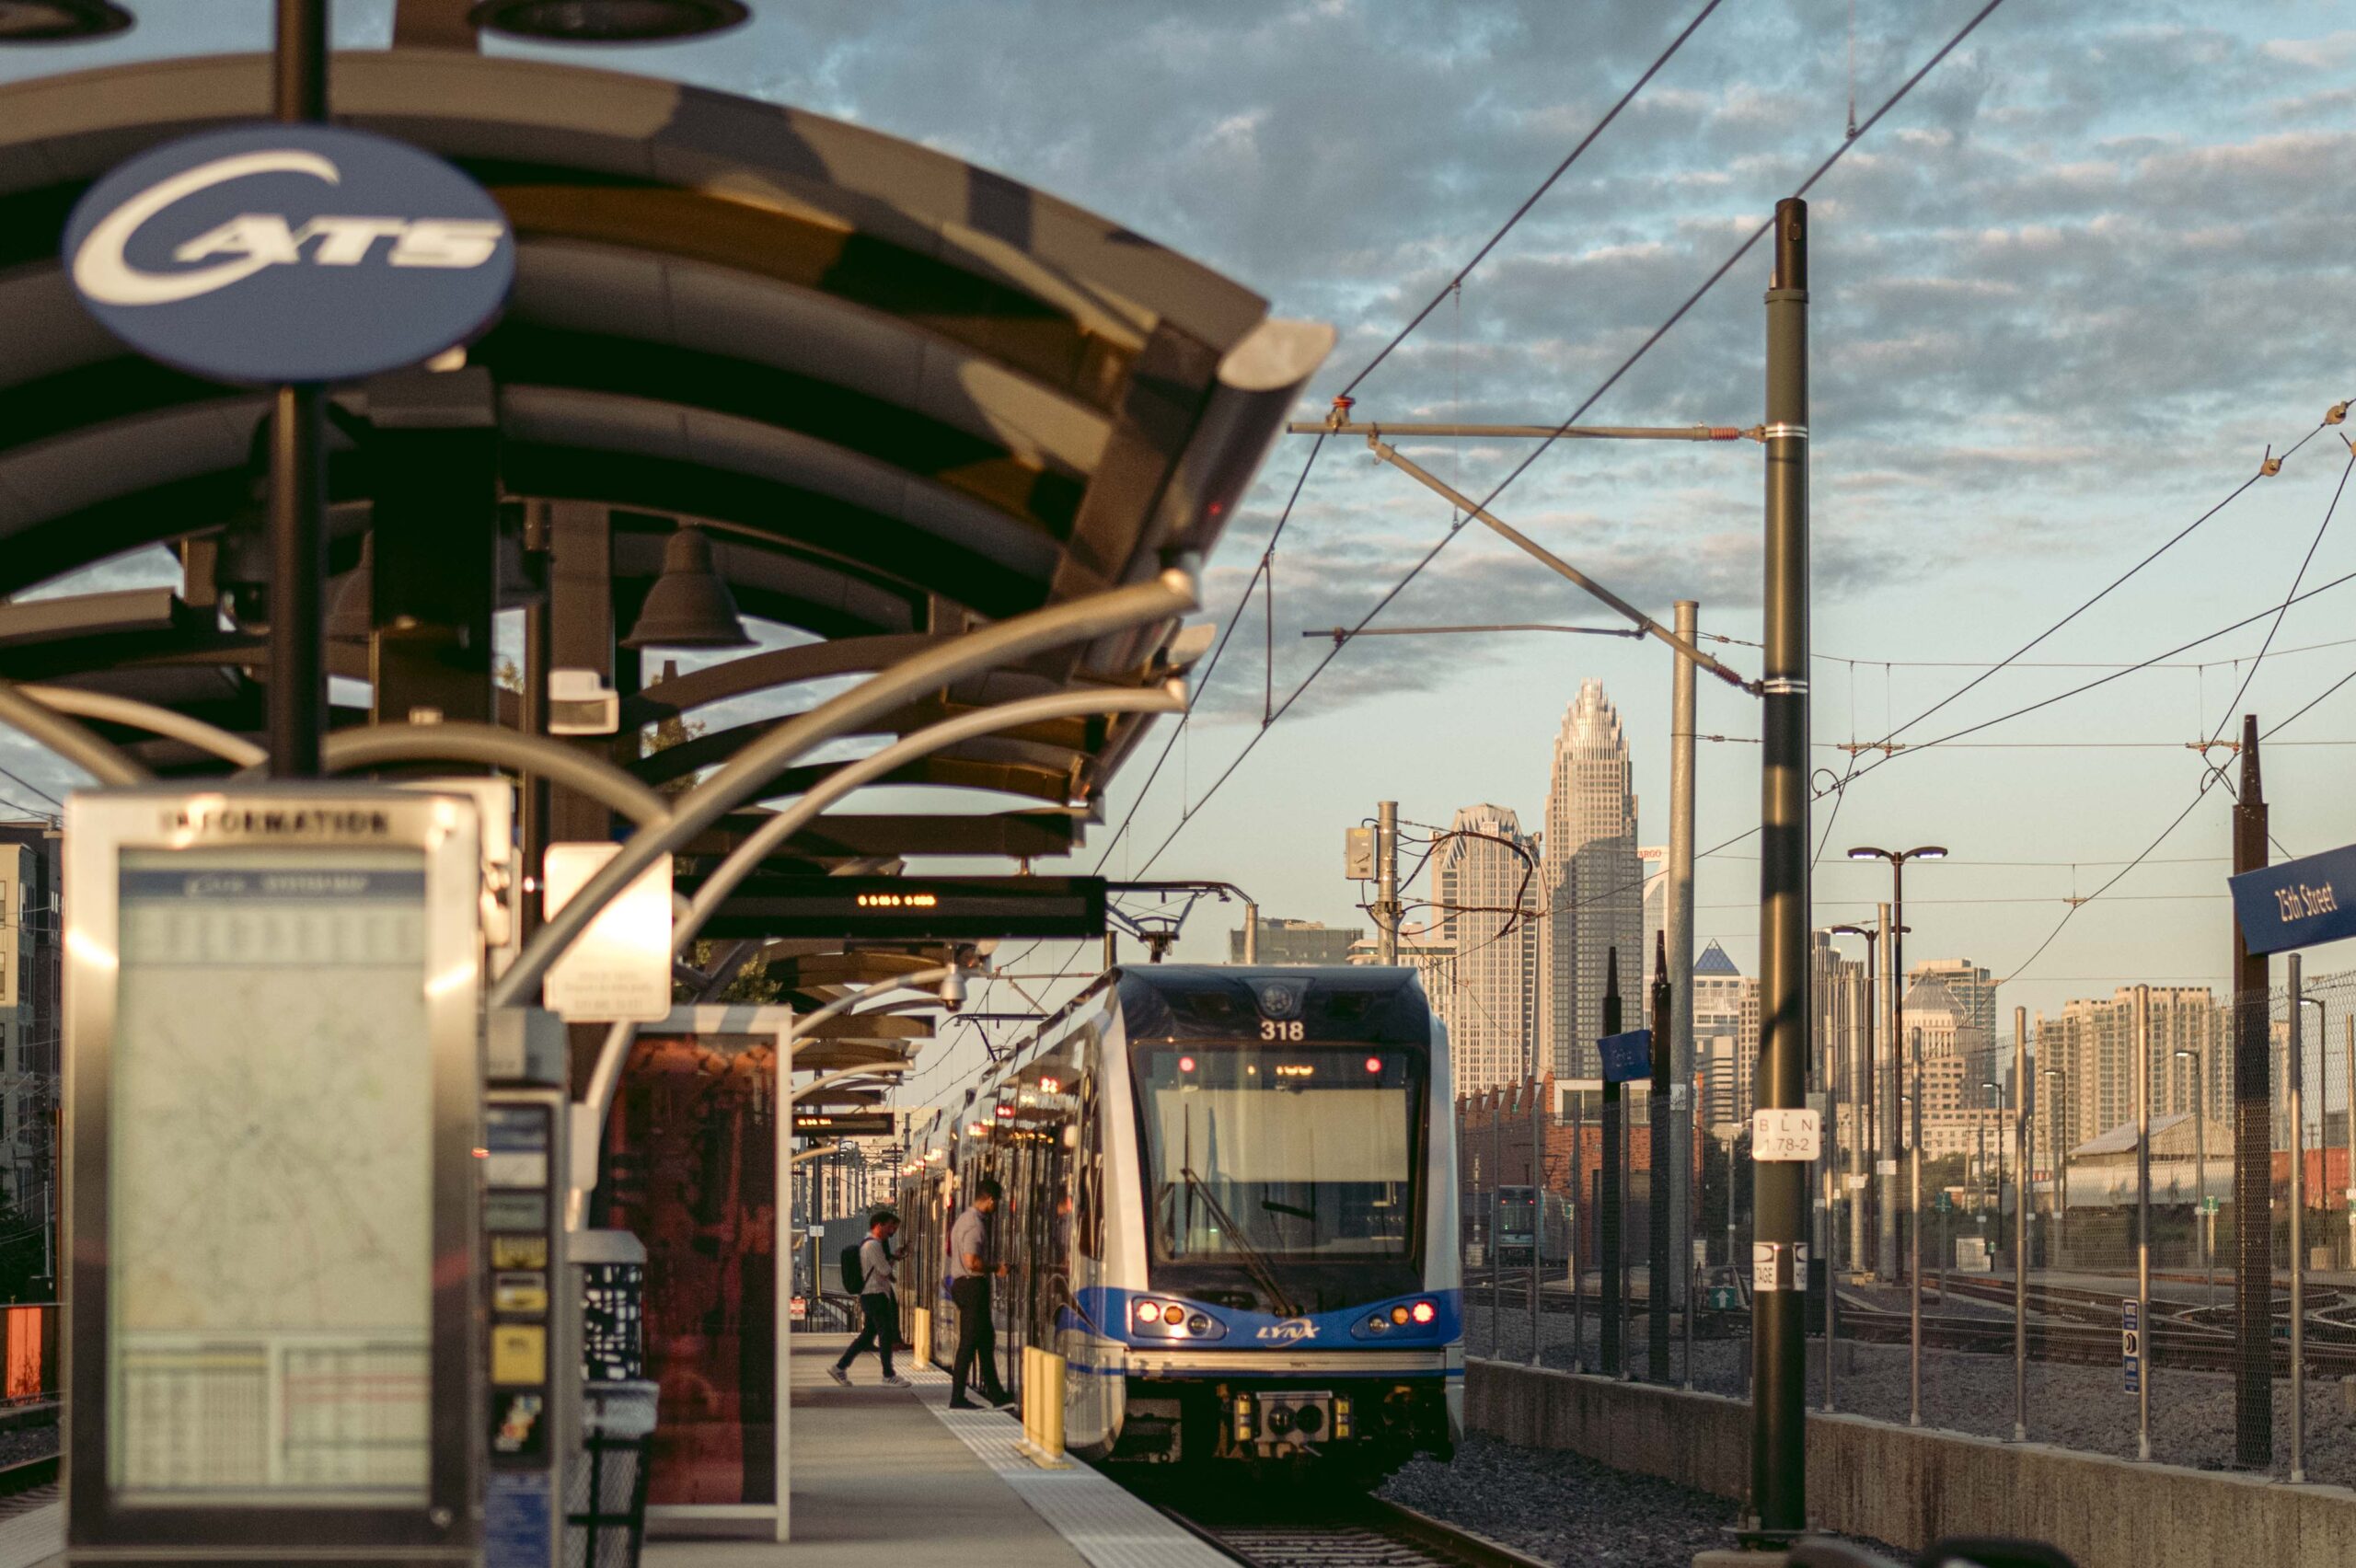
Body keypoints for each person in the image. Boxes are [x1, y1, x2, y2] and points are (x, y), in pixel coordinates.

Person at [947, 1176, 1012, 1410]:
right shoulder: (974, 1224)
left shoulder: (963, 1219)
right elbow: (972, 1262)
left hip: (966, 1286)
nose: (997, 1208)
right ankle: (957, 1398)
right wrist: (996, 1268)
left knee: (985, 1341)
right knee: (969, 1343)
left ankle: (996, 1394)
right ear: (990, 1200)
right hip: (972, 1286)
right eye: (997, 1203)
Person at [828, 1208, 908, 1388]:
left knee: (868, 1335)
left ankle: (840, 1367)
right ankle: (888, 1375)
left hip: (872, 1295)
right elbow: (885, 1270)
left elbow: (882, 1267)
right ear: (879, 1226)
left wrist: (893, 1256)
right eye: (890, 1227)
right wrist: (893, 1272)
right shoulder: (873, 1245)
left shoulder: (869, 1244)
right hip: (875, 1295)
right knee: (885, 1333)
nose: (892, 1231)